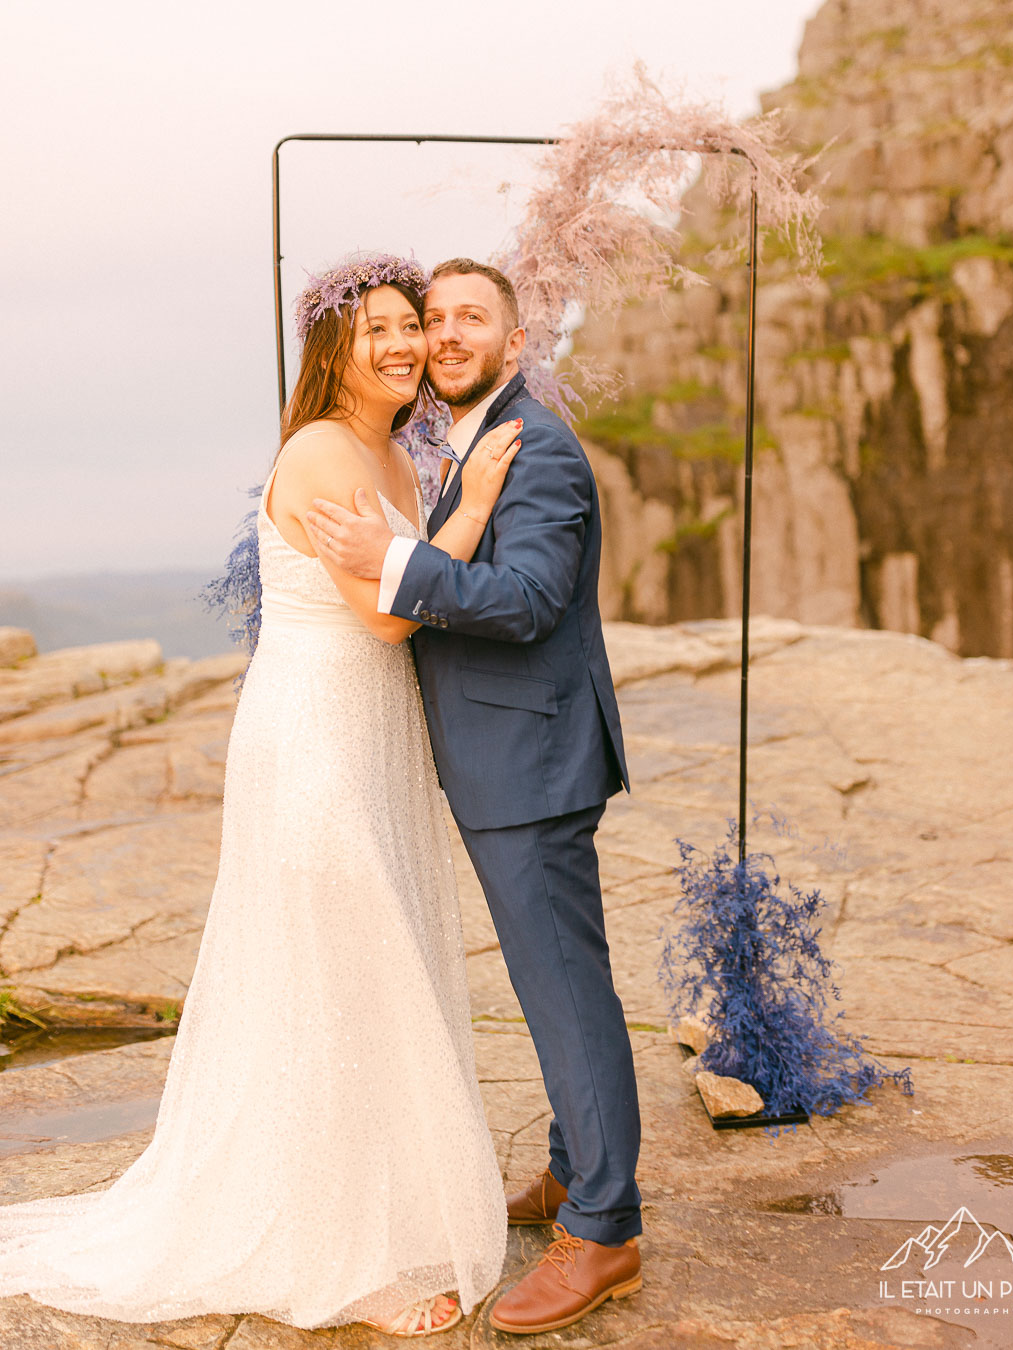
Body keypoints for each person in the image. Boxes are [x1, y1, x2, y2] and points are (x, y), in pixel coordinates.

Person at [0, 253, 523, 1338]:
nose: (403, 347)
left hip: (369, 732)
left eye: (411, 329)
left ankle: (367, 1215)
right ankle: (343, 1262)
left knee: (358, 972)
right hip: (316, 740)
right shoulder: (329, 451)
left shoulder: (389, 449)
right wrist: (471, 505)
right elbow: (386, 615)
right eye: (376, 329)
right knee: (344, 967)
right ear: (331, 347)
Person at [307, 258, 643, 1337]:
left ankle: (603, 1231)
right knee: (553, 985)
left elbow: (531, 598)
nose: (443, 337)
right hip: (505, 759)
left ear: (515, 334)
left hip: (532, 767)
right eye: (431, 320)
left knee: (565, 993)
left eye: (466, 319)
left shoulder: (534, 447)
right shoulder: (472, 438)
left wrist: (394, 564)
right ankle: (570, 1172)